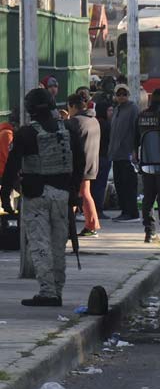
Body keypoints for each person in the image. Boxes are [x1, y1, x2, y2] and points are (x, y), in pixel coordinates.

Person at [1, 88, 84, 306]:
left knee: (39, 244)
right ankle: (57, 289)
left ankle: (48, 292)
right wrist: (74, 191)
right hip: (62, 194)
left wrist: (5, 195)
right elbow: (79, 164)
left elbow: (11, 167)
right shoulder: (68, 131)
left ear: (29, 110)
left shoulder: (26, 134)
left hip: (35, 195)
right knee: (58, 244)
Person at [67, 94, 101, 237]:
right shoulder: (93, 120)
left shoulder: (74, 122)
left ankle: (89, 224)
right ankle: (91, 224)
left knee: (77, 194)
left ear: (73, 106)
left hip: (79, 164)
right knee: (84, 193)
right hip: (92, 161)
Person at [137, 89, 160, 242]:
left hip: (146, 163)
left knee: (148, 199)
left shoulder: (142, 115)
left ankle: (149, 232)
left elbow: (136, 139)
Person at [107, 84, 141, 222]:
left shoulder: (133, 109)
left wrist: (134, 149)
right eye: (119, 94)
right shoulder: (116, 109)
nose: (121, 96)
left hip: (127, 154)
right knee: (120, 184)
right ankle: (124, 211)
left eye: (124, 94)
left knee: (128, 185)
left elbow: (136, 130)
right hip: (116, 154)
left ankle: (131, 212)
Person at [90, 77, 115, 218]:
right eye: (110, 111)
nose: (112, 113)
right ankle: (98, 210)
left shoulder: (94, 122)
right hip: (102, 157)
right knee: (99, 185)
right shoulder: (104, 125)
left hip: (95, 158)